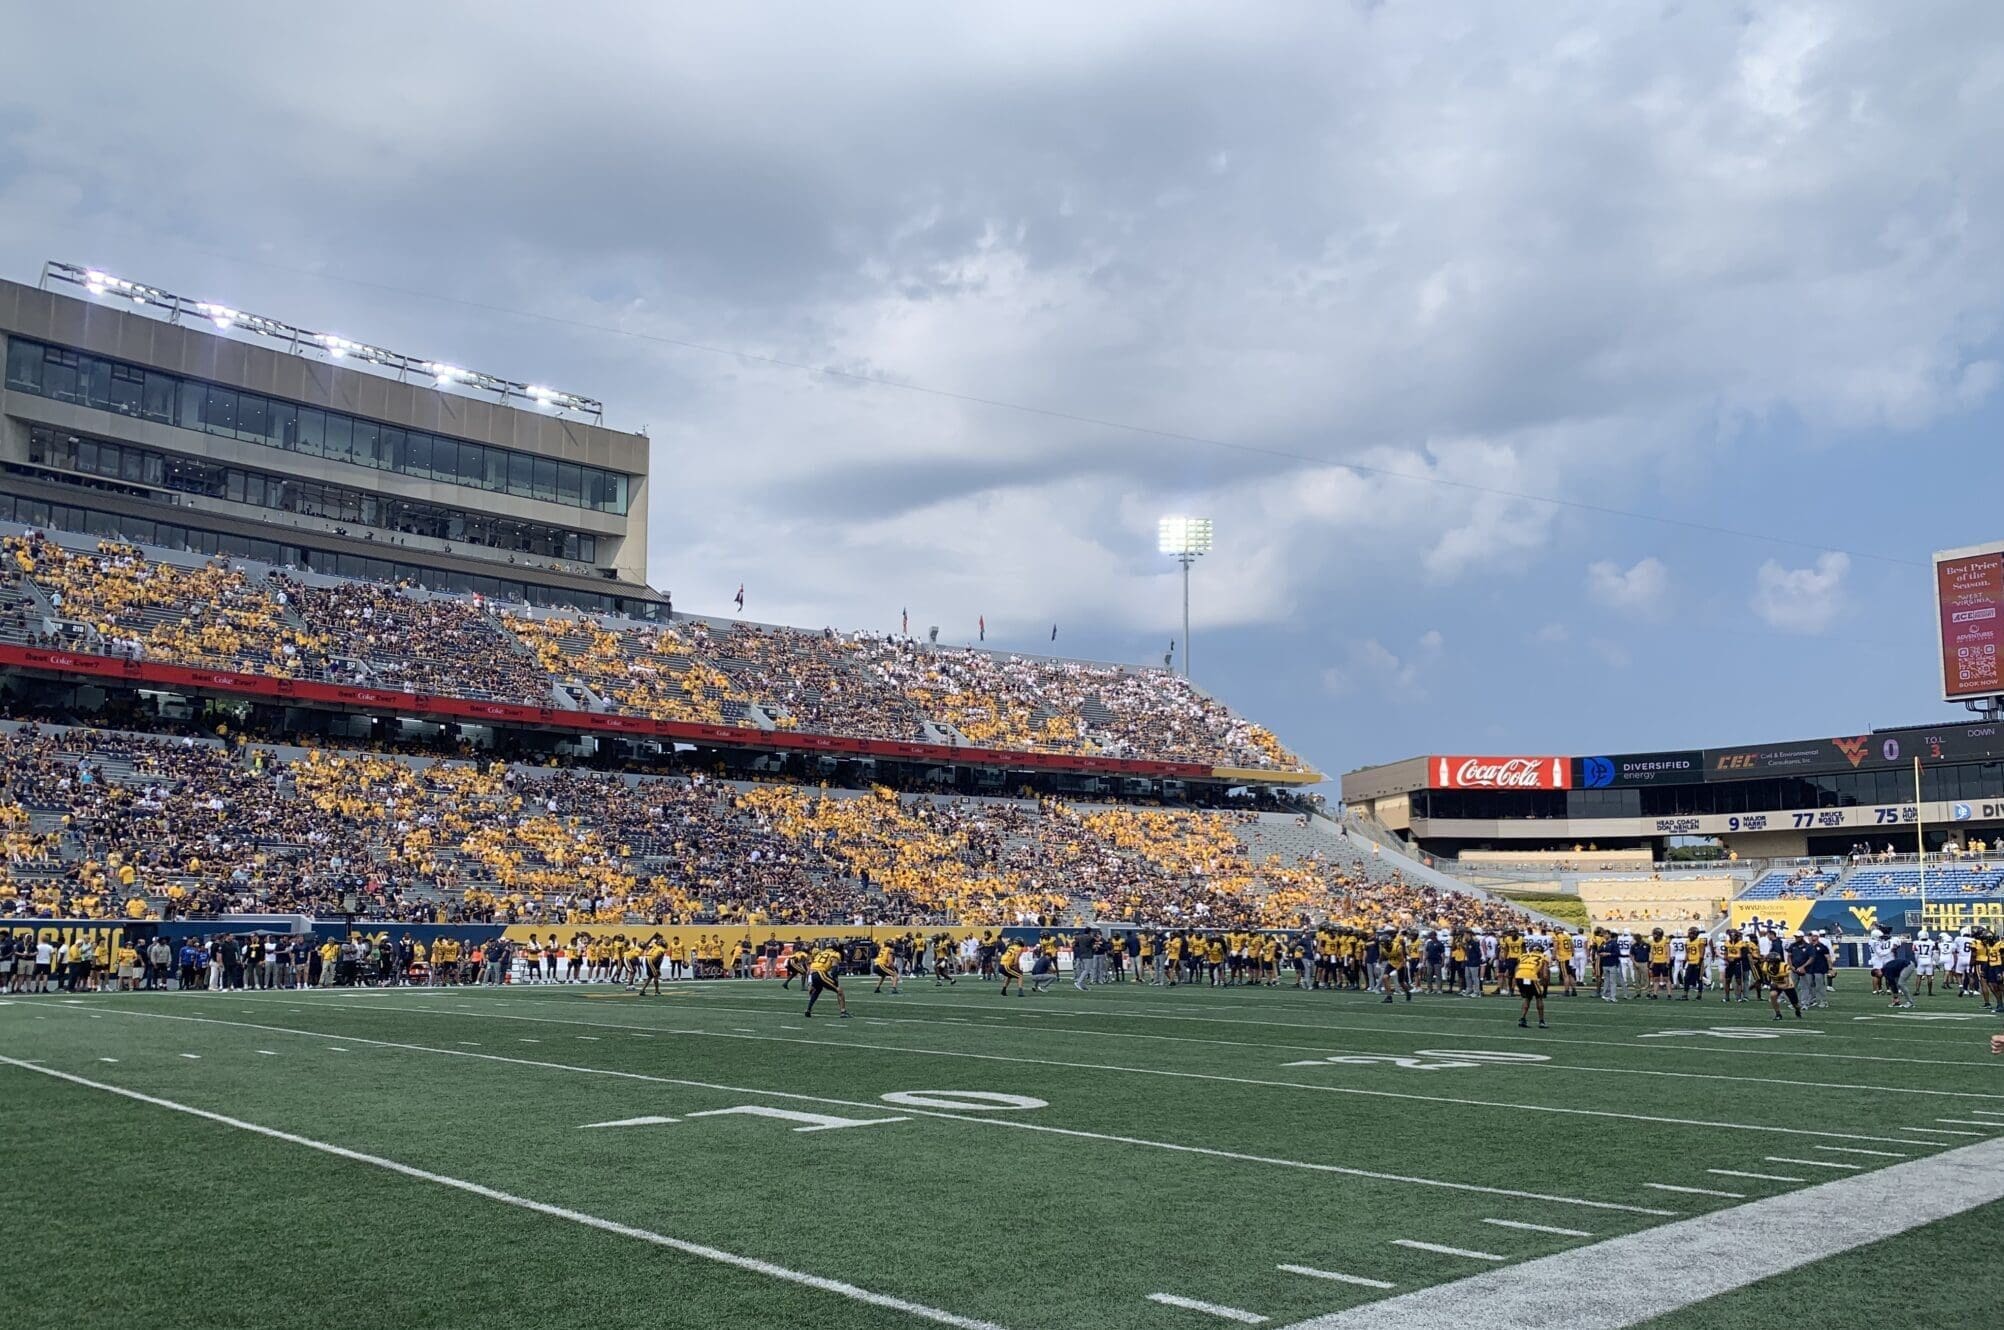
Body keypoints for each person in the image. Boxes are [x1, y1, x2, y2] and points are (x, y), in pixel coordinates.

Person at [803, 944, 848, 1018]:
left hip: (812, 973)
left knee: (817, 990)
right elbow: (834, 971)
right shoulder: (835, 954)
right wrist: (836, 982)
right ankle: (843, 1012)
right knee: (839, 990)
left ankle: (808, 1010)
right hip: (820, 972)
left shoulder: (821, 952)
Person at [1515, 938, 1549, 1029]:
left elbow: (1517, 967)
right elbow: (1545, 974)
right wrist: (1544, 982)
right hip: (1530, 976)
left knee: (1528, 997)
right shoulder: (1543, 956)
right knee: (1539, 997)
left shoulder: (1523, 955)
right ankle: (1541, 1021)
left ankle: (1522, 1019)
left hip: (1519, 976)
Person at [1765, 947, 1804, 1020]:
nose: (1770, 963)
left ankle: (1797, 1011)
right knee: (1773, 995)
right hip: (1776, 982)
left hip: (1787, 985)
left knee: (1795, 1004)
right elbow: (1766, 976)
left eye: (1771, 962)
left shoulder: (1784, 967)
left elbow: (1786, 985)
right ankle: (1778, 1014)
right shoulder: (1766, 966)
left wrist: (1776, 985)